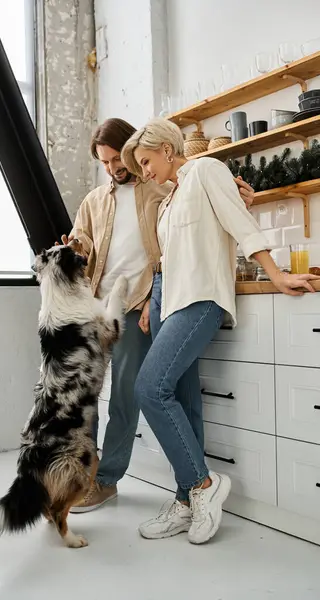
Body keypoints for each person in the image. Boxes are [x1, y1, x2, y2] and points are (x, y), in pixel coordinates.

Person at [121, 117, 319, 545]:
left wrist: (277, 274)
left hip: (201, 300)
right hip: (168, 302)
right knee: (184, 404)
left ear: (167, 149)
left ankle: (203, 485)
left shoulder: (206, 170)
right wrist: (149, 303)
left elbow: (238, 225)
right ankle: (186, 500)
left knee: (150, 389)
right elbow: (173, 257)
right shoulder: (170, 200)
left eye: (146, 160)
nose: (145, 171)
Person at [64, 118, 255, 513]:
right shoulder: (94, 200)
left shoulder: (159, 187)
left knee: (126, 397)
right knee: (85, 398)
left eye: (117, 158)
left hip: (136, 306)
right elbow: (81, 238)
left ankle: (107, 479)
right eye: (103, 162)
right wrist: (75, 246)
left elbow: (200, 196)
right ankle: (82, 473)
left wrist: (237, 192)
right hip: (98, 306)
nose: (112, 168)